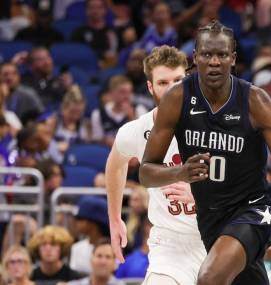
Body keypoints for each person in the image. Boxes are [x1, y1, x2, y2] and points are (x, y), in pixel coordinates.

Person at [139, 21, 271, 285]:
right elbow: (146, 172)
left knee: (209, 278)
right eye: (207, 54)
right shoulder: (178, 98)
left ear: (233, 59)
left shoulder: (256, 102)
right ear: (195, 58)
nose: (214, 62)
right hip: (211, 217)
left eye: (222, 55)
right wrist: (180, 172)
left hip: (255, 209)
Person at [106, 45, 206, 285]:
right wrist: (114, 218)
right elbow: (115, 165)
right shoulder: (136, 130)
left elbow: (245, 178)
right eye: (163, 82)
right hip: (170, 243)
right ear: (150, 87)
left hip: (218, 235)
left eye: (178, 80)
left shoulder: (216, 123)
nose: (172, 88)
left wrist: (203, 194)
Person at [69, 196, 110, 275]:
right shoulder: (77, 248)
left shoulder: (114, 250)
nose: (75, 222)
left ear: (93, 222)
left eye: (80, 218)